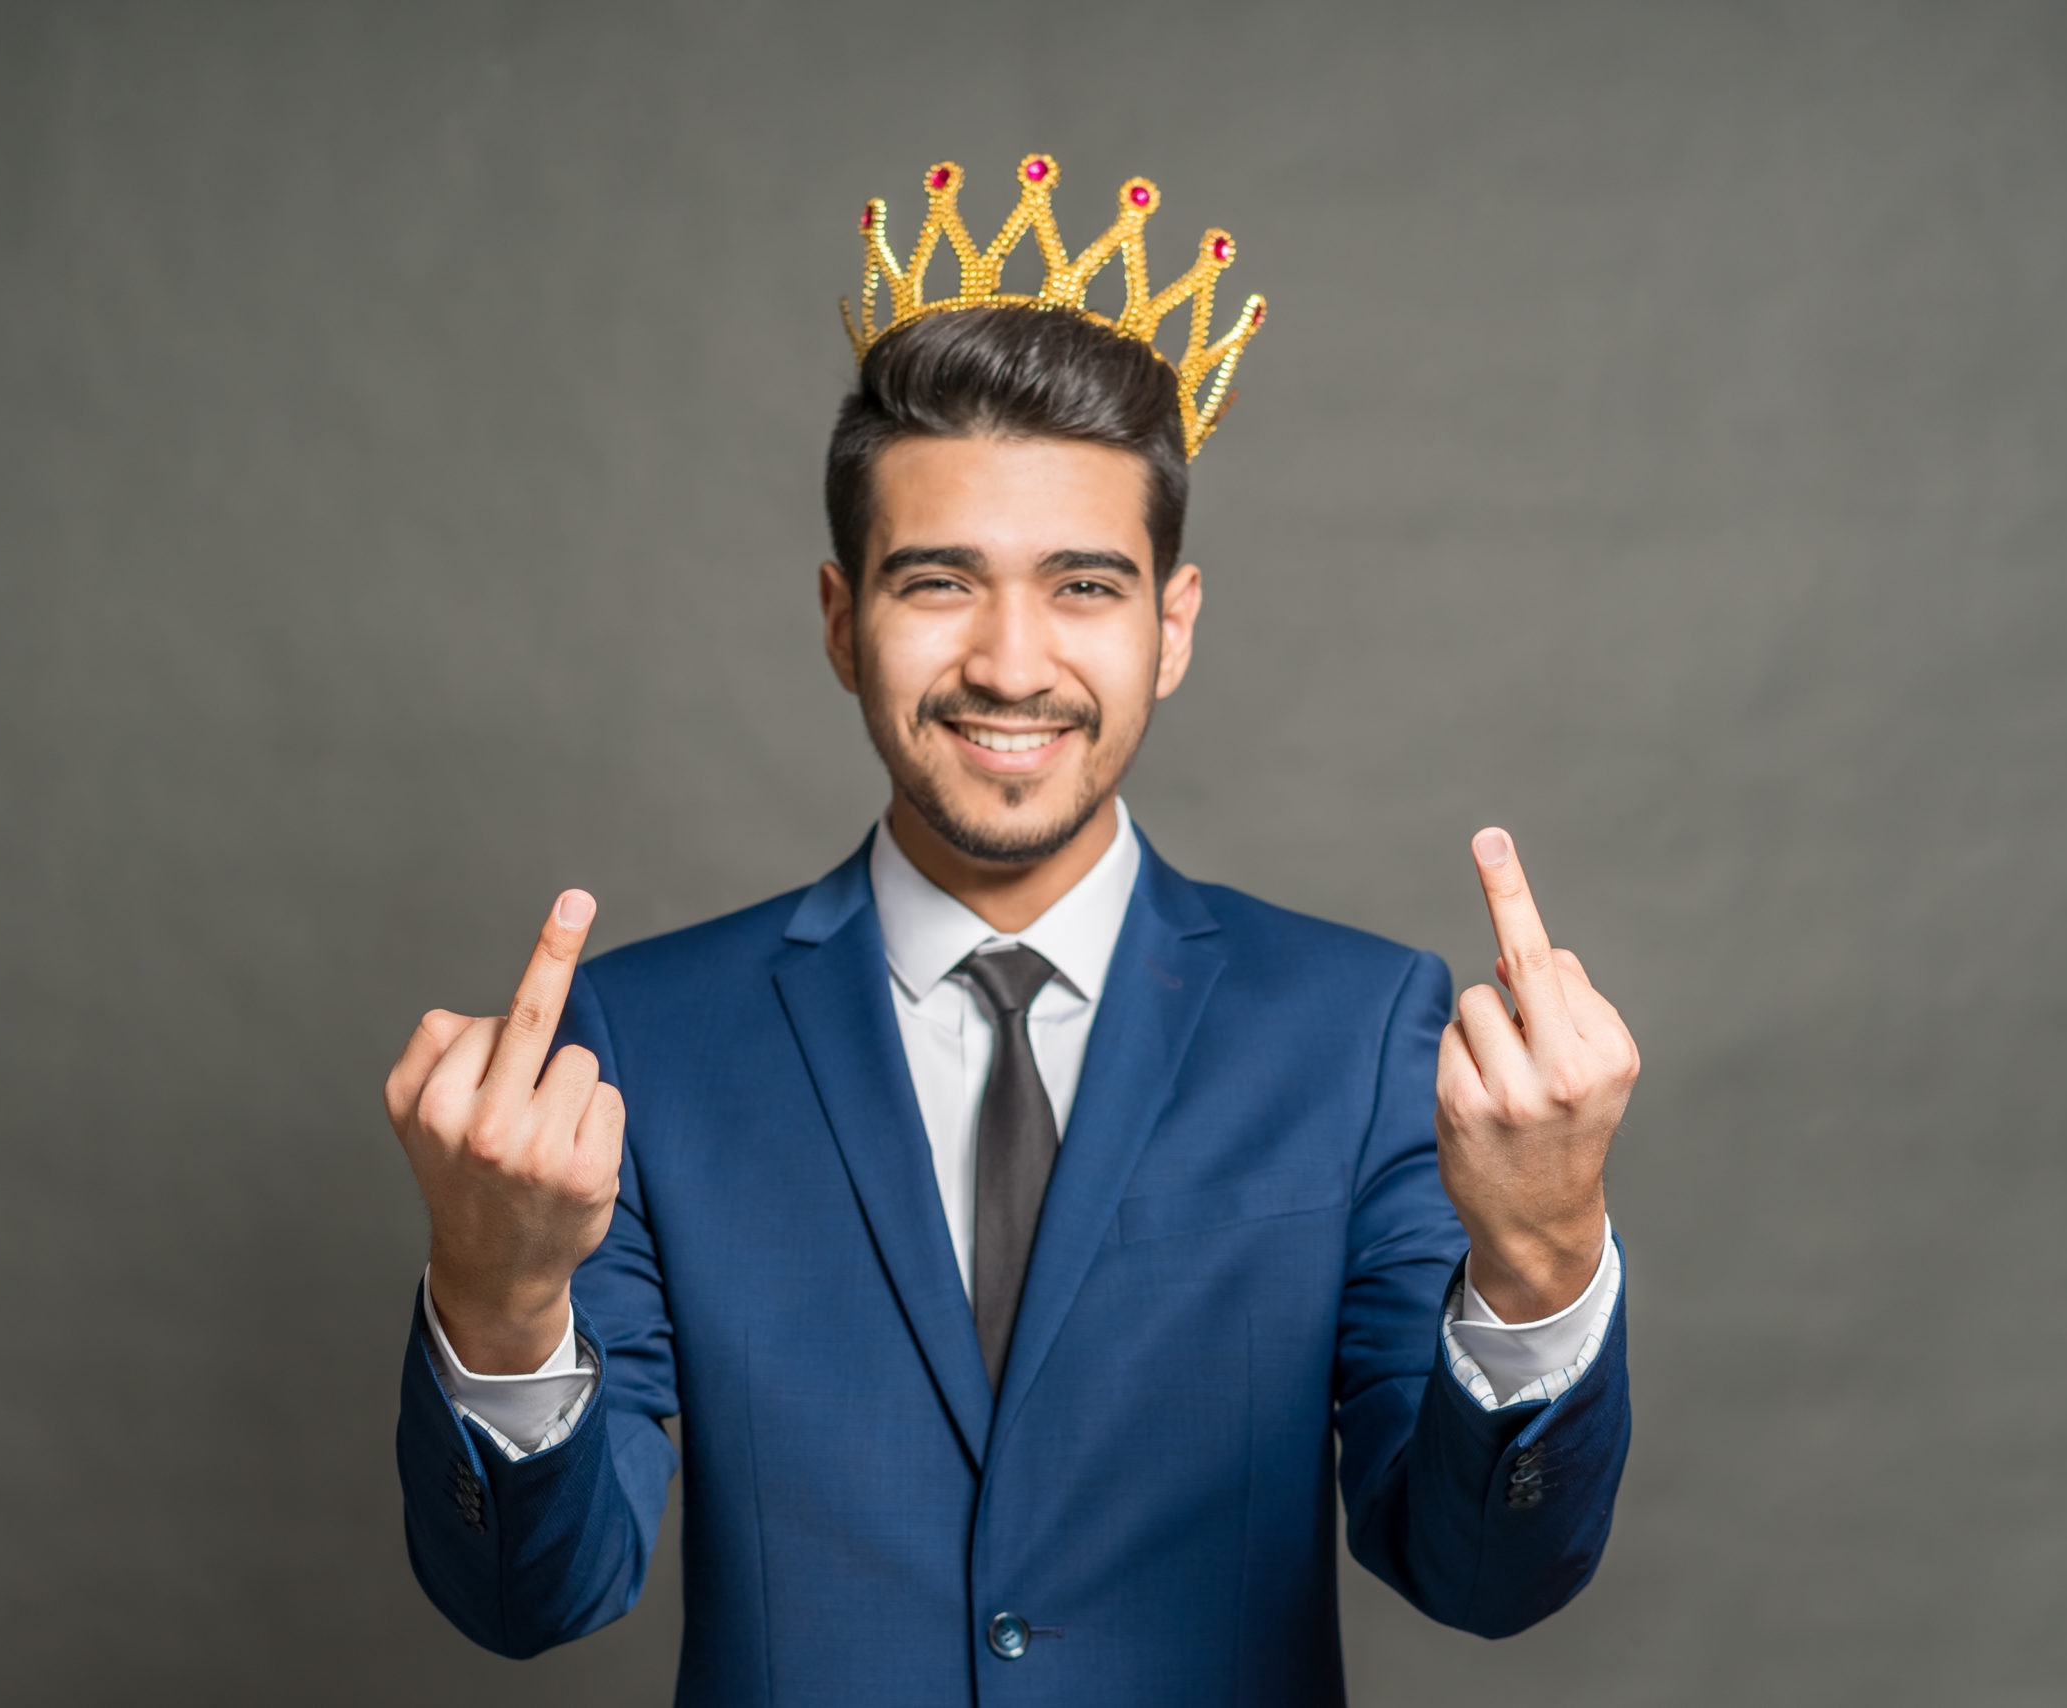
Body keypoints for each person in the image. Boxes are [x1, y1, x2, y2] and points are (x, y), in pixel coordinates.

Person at [383, 155, 1640, 1706]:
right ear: (843, 621)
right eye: (937, 583)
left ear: (1171, 627)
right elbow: (532, 1599)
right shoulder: (637, 1051)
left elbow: (1484, 1576)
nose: (1010, 661)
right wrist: (496, 1297)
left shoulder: (1363, 1031)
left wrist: (1542, 1261)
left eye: (1086, 585)